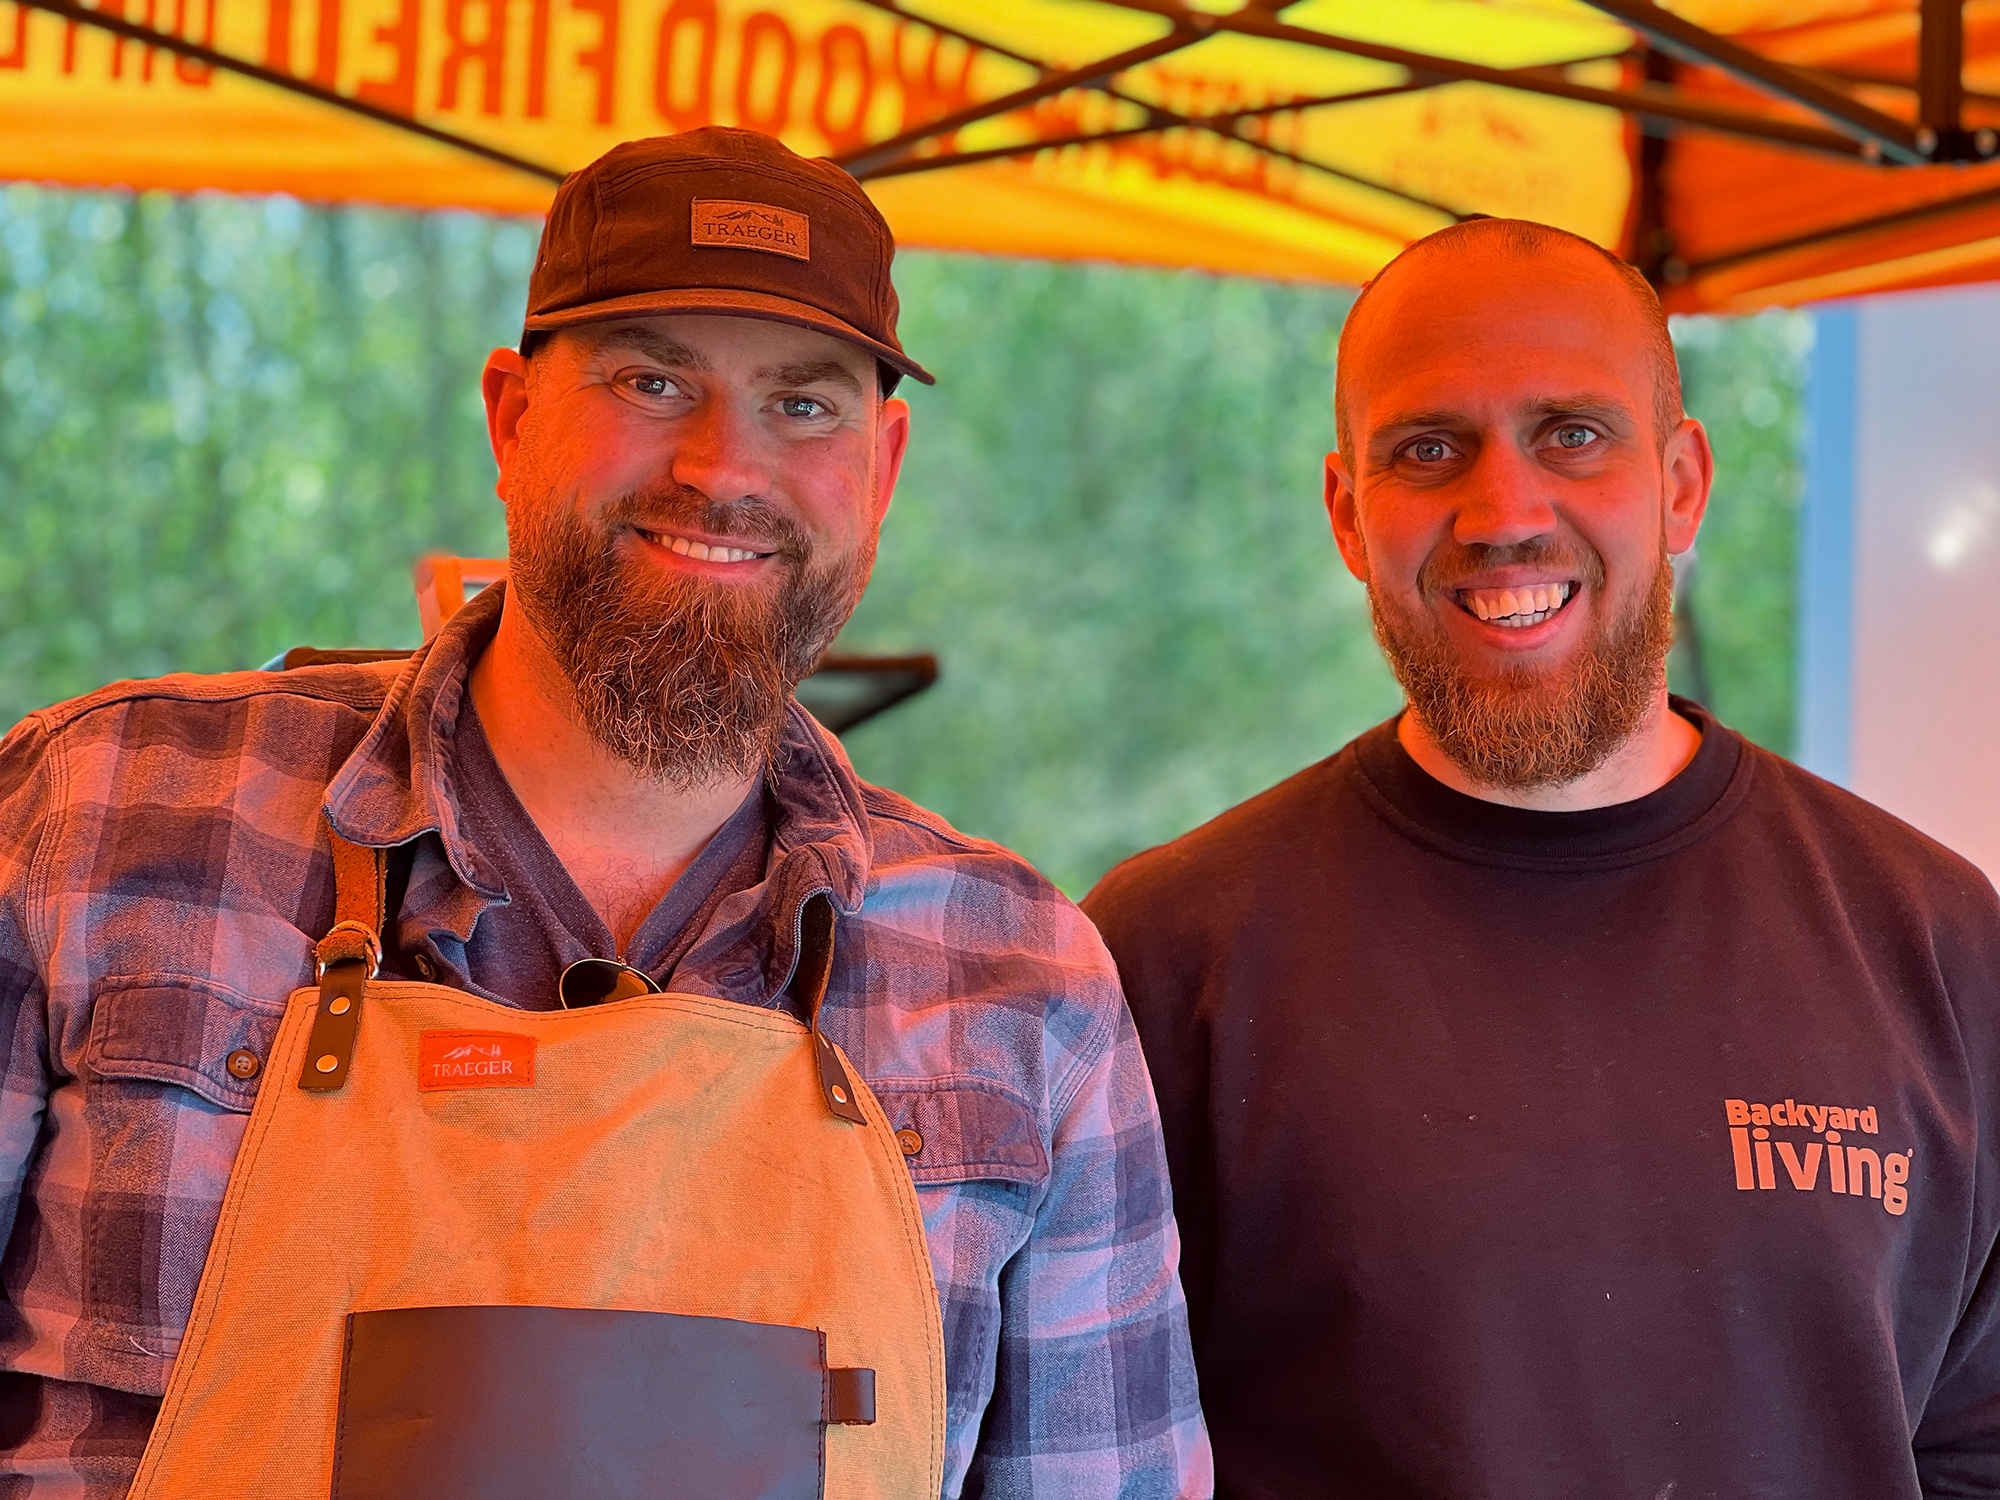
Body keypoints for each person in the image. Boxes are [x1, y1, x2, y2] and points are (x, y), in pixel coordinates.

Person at [0, 128, 1208, 1498]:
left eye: (802, 405)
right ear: (512, 418)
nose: (721, 467)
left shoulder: (1019, 982)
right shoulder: (102, 818)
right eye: (652, 381)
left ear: (879, 471)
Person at [1083, 217, 2000, 1499]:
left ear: (1679, 483)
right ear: (1346, 513)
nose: (1503, 512)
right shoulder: (1165, 957)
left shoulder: (1938, 944)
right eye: (1427, 448)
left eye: (1570, 434)